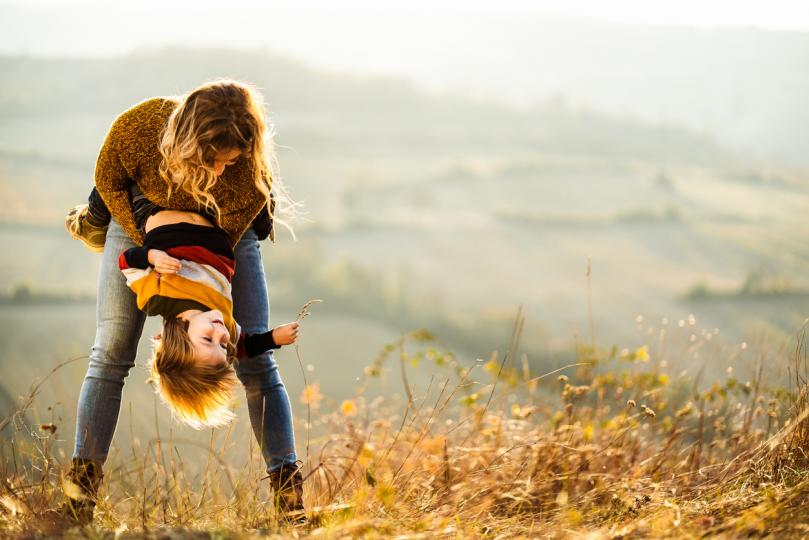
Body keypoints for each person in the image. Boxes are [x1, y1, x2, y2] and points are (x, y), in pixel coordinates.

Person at [55, 80, 305, 524]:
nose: (223, 168)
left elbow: (222, 242)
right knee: (110, 351)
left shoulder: (244, 175)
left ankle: (290, 503)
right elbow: (109, 183)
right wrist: (152, 246)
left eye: (234, 159)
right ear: (189, 139)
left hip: (221, 233)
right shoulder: (138, 127)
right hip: (140, 219)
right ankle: (79, 500)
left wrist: (201, 278)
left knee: (257, 367)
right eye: (217, 159)